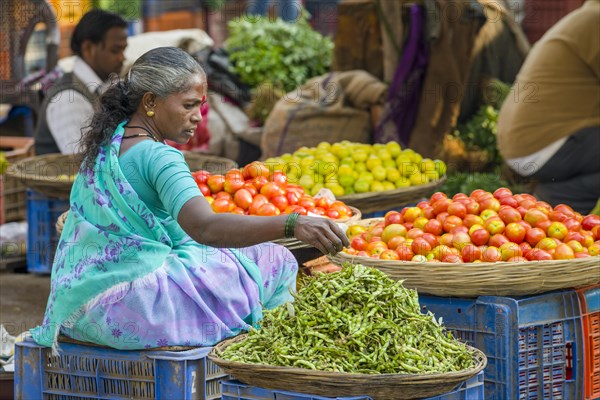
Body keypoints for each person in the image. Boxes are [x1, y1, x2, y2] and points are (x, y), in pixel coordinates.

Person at [31, 47, 349, 351]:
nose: (198, 117)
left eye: (200, 105)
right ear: (151, 101)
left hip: (77, 308)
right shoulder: (160, 157)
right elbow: (205, 228)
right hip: (131, 312)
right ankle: (273, 361)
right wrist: (292, 223)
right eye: (188, 105)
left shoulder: (105, 149)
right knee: (275, 260)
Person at [497, 0, 600, 214]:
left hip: (530, 142)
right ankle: (563, 203)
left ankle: (557, 196)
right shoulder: (595, 19)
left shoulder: (589, 14)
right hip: (542, 145)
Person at [34, 9, 128, 155]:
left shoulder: (107, 84)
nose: (122, 58)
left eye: (124, 50)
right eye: (115, 50)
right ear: (88, 48)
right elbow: (84, 163)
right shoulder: (68, 99)